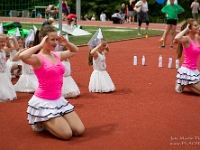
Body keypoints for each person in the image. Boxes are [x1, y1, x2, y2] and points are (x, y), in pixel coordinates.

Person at [18, 25, 85, 139]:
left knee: (80, 130)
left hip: (58, 100)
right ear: (44, 39)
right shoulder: (37, 58)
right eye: (52, 39)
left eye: (56, 39)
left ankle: (54, 119)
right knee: (66, 134)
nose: (55, 42)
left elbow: (75, 50)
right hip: (44, 102)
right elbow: (22, 56)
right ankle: (41, 119)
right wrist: (39, 45)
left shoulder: (56, 55)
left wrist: (66, 43)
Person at [174, 18, 200, 95]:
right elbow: (176, 38)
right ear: (190, 28)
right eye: (195, 25)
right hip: (186, 71)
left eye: (197, 24)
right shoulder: (186, 39)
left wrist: (198, 28)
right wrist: (185, 30)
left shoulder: (196, 37)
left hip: (194, 71)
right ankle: (183, 81)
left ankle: (184, 83)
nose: (198, 26)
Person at [0, 34, 18, 102]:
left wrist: (12, 39)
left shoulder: (4, 50)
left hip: (3, 72)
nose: (2, 43)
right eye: (0, 42)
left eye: (3, 42)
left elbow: (16, 47)